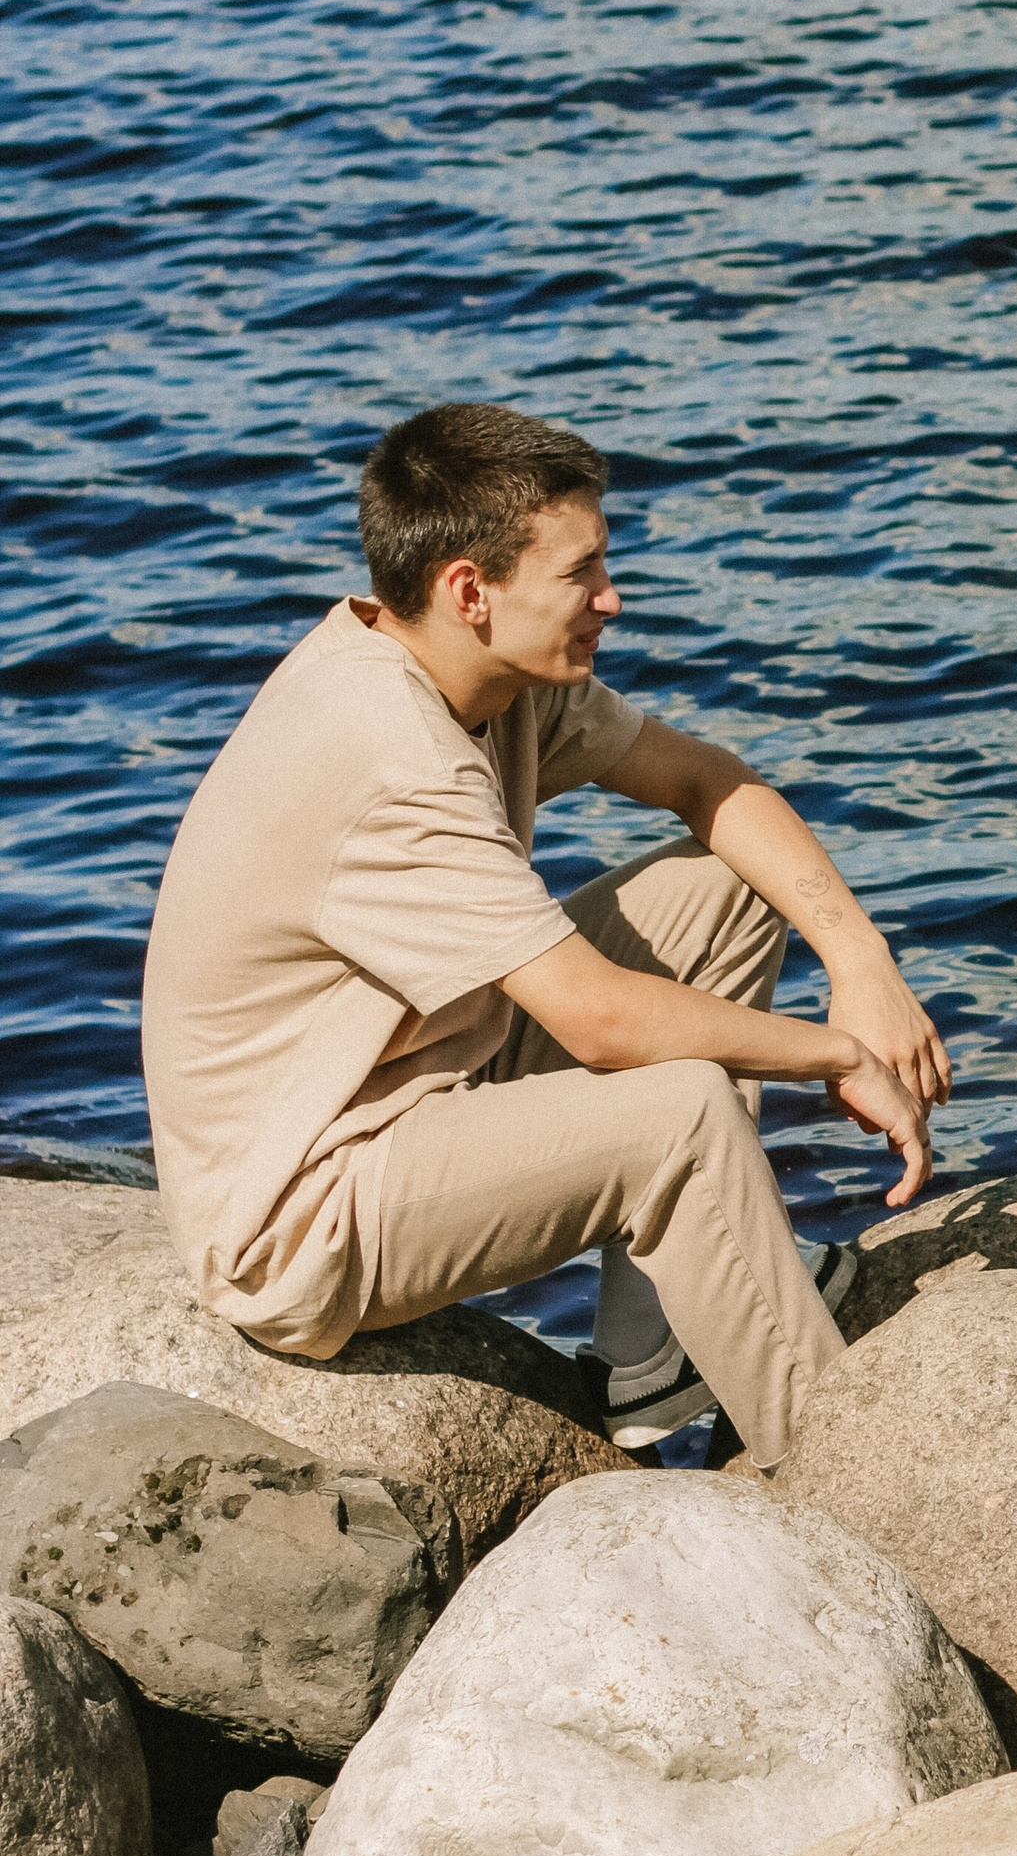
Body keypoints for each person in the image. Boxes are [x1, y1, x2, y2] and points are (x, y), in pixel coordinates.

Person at [141, 401, 948, 1466]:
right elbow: (599, 1022)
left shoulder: (486, 677)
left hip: (416, 1072)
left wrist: (861, 963)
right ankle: (840, 1479)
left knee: (729, 887)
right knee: (680, 1115)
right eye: (581, 573)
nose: (612, 598)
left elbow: (707, 781)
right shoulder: (390, 755)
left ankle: (653, 1349)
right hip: (300, 1212)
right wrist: (839, 1053)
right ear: (470, 592)